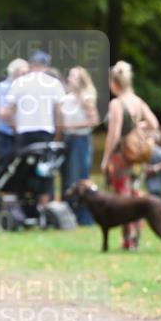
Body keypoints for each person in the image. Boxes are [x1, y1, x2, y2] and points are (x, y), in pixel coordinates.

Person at [100, 61, 159, 250]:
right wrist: (139, 128)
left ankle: (128, 240)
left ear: (114, 83)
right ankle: (136, 239)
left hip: (122, 157)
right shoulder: (137, 101)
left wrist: (105, 158)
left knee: (123, 200)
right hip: (137, 158)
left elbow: (114, 134)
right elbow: (154, 124)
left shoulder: (116, 104)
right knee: (136, 197)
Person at [3, 50, 66, 209]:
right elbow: (59, 112)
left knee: (21, 169)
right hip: (45, 132)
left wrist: (15, 127)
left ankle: (19, 206)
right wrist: (58, 134)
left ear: (31, 65)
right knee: (45, 171)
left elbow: (9, 111)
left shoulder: (19, 83)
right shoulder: (53, 83)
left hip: (24, 133)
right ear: (46, 65)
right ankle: (43, 208)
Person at [61, 66, 99, 224]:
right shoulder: (67, 98)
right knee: (67, 178)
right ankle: (67, 215)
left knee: (79, 179)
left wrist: (72, 127)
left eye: (73, 76)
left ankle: (83, 217)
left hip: (80, 141)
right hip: (67, 139)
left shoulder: (85, 99)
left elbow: (94, 120)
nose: (70, 79)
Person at [0, 59, 29, 164]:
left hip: (22, 132)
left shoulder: (27, 87)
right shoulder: (3, 87)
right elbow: (3, 112)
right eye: (23, 72)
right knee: (5, 163)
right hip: (6, 133)